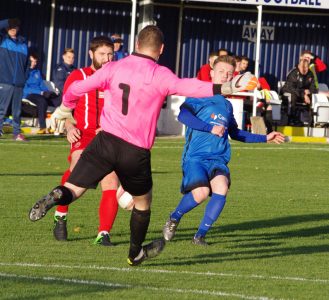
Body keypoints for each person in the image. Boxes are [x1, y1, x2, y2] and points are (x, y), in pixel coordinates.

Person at [28, 25, 258, 266]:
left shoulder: (114, 67)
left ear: (136, 45)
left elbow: (76, 88)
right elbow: (189, 86)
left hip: (104, 140)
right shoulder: (160, 74)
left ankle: (56, 195)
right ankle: (134, 253)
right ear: (161, 49)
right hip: (134, 150)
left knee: (73, 189)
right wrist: (227, 87)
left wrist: (65, 108)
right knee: (142, 202)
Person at [163, 56, 285, 245]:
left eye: (229, 74)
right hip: (195, 157)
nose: (225, 76)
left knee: (222, 188)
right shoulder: (200, 95)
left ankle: (200, 236)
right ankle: (174, 217)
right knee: (201, 193)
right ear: (212, 73)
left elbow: (235, 133)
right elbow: (183, 115)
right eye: (221, 72)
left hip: (218, 159)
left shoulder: (227, 105)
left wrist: (264, 138)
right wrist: (208, 127)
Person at [53, 36, 120, 247]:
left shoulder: (118, 78)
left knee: (111, 182)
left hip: (108, 136)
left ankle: (103, 234)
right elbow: (66, 110)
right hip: (84, 134)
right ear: (91, 54)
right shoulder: (78, 76)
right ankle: (60, 214)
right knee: (76, 169)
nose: (107, 58)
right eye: (102, 54)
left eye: (110, 54)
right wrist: (70, 127)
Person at [0, 18, 28, 141]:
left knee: (17, 112)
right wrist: (8, 21)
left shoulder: (23, 44)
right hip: (5, 81)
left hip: (19, 84)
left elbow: (27, 65)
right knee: (1, 109)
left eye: (15, 26)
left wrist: (24, 78)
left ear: (18, 28)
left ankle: (17, 133)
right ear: (6, 28)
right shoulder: (3, 40)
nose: (12, 28)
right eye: (10, 26)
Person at [23, 53, 59, 134]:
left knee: (59, 100)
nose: (34, 64)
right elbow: (25, 89)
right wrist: (41, 92)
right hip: (30, 95)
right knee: (42, 101)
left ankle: (59, 126)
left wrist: (48, 92)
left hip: (40, 94)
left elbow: (41, 85)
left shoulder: (37, 72)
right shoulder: (23, 72)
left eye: (35, 62)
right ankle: (43, 127)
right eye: (32, 61)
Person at [281, 58, 318, 126]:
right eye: (302, 68)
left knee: (314, 97)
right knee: (293, 96)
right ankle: (291, 119)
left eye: (306, 68)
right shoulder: (294, 73)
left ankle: (312, 120)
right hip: (289, 92)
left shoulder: (310, 74)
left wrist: (309, 91)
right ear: (299, 66)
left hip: (303, 94)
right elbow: (291, 88)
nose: (304, 70)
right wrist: (303, 93)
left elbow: (314, 88)